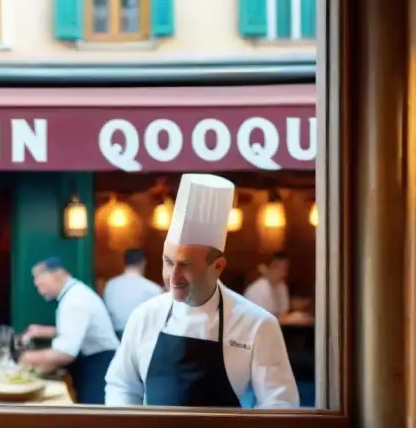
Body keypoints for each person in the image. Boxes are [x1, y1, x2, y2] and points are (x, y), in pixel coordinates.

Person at [104, 174, 299, 409]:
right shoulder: (145, 316)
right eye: (168, 262)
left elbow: (279, 404)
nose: (173, 278)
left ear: (217, 267)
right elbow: (122, 386)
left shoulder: (257, 325)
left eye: (186, 266)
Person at [20, 258, 119, 404]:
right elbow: (76, 329)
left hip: (100, 366)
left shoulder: (75, 300)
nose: (38, 287)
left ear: (56, 275)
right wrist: (44, 331)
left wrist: (28, 358)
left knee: (93, 418)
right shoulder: (74, 293)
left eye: (40, 282)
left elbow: (66, 353)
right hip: (93, 363)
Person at [103, 248, 164, 338]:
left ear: (124, 262)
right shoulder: (152, 288)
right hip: (142, 337)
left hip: (114, 336)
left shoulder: (110, 285)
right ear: (143, 263)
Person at [243, 251, 291, 319]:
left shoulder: (282, 287)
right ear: (267, 268)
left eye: (285, 268)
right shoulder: (257, 289)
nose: (283, 272)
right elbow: (259, 318)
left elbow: (284, 312)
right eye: (278, 267)